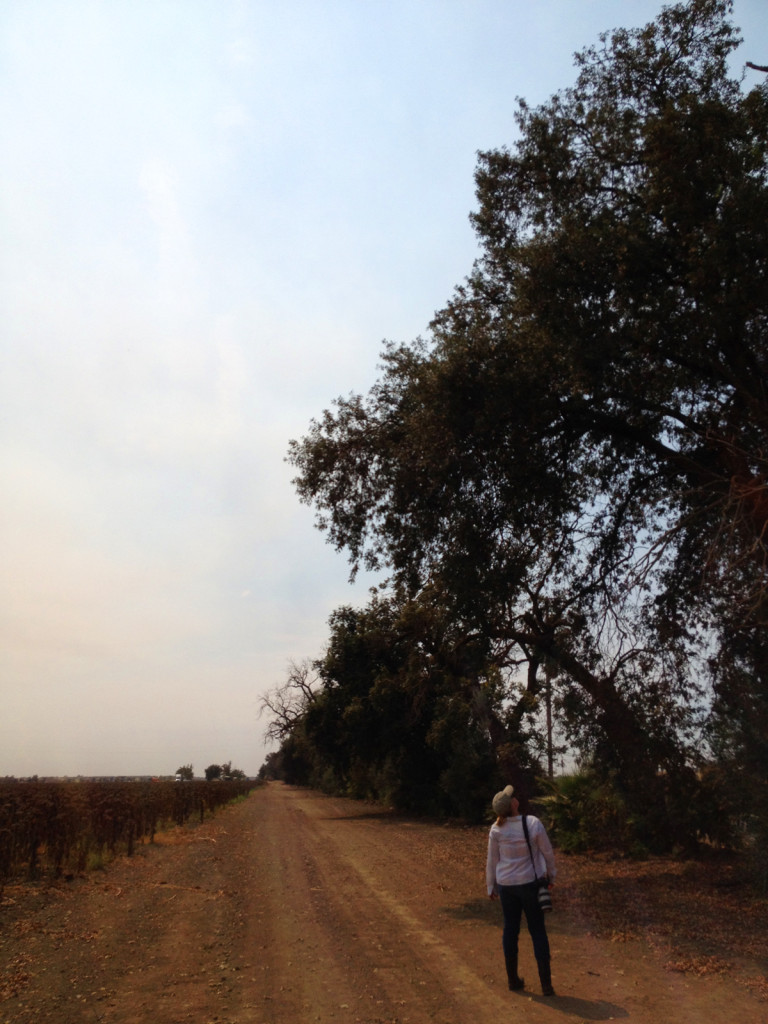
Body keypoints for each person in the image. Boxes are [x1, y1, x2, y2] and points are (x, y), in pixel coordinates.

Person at [486, 784, 557, 996]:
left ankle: (513, 980)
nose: (514, 797)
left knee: (510, 929)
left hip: (507, 886)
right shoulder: (532, 823)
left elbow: (492, 860)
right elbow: (548, 853)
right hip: (530, 884)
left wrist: (491, 886)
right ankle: (546, 984)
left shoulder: (496, 829)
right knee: (537, 931)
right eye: (512, 797)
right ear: (513, 805)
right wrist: (551, 875)